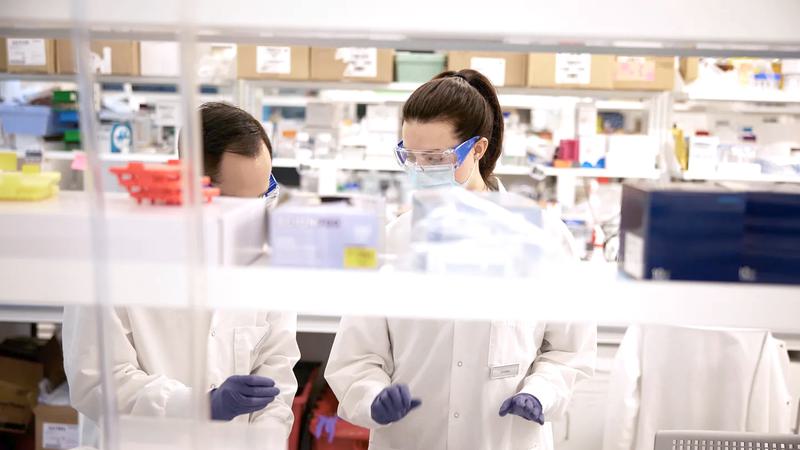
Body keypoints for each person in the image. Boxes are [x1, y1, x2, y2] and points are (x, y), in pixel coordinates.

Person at [324, 70, 596, 450]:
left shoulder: (542, 236)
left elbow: (570, 348)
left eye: (436, 158)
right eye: (410, 156)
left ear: (478, 149)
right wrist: (373, 396)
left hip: (504, 438)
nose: (420, 170)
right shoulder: (393, 240)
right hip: (412, 438)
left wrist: (541, 393)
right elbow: (356, 356)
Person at [62, 102, 298, 441]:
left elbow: (277, 372)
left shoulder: (267, 262)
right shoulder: (116, 257)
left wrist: (265, 440)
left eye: (263, 197)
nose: (253, 219)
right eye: (237, 206)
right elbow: (95, 381)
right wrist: (198, 406)